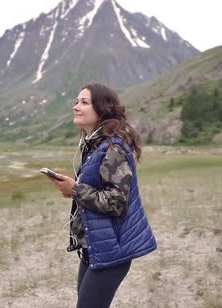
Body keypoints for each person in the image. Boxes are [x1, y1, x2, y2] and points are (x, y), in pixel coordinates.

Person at [48, 83, 157, 308]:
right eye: (77, 102)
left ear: (102, 109)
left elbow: (117, 202)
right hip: (96, 247)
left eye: (84, 102)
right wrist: (74, 191)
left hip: (111, 251)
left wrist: (75, 190)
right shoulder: (96, 145)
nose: (76, 107)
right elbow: (100, 193)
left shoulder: (112, 148)